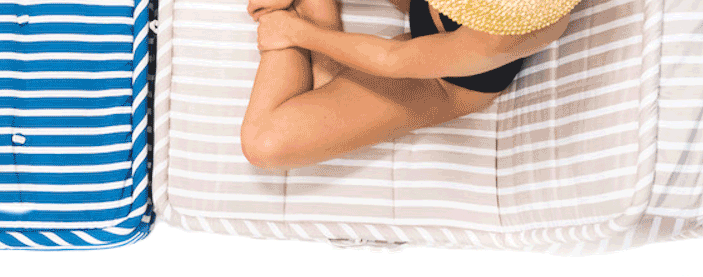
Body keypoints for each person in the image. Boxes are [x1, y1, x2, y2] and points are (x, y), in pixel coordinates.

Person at [239, 0, 578, 170]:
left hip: (441, 82)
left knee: (265, 144)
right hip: (427, 14)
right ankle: (322, 30)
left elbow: (395, 58)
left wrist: (295, 31)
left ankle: (313, 24)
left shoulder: (519, 25)